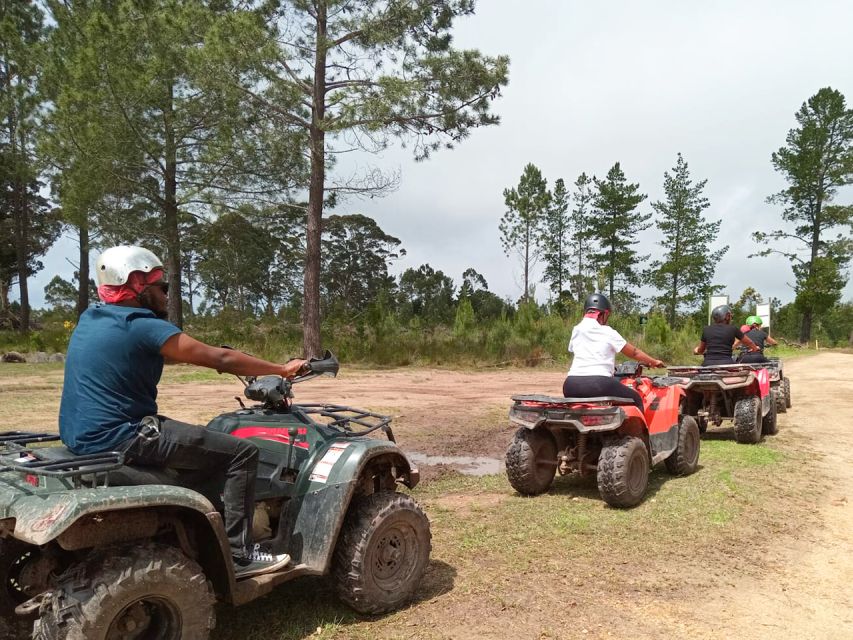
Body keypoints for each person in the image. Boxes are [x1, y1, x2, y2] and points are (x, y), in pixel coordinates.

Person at [59, 246, 307, 579]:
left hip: (81, 436)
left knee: (198, 445)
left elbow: (165, 352)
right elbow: (221, 360)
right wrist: (282, 369)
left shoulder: (93, 318)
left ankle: (199, 530)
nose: (167, 295)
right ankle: (239, 555)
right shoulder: (142, 324)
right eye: (162, 287)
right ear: (136, 284)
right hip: (124, 436)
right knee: (243, 454)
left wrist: (208, 355)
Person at [562, 293, 665, 413]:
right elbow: (635, 353)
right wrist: (654, 362)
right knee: (636, 398)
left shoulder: (577, 329)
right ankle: (641, 432)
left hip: (571, 385)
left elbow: (577, 350)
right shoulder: (607, 331)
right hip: (599, 384)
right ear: (603, 314)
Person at [693, 304, 759, 366]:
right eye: (730, 316)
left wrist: (696, 350)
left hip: (708, 364)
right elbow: (749, 342)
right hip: (727, 363)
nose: (731, 318)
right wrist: (755, 348)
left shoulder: (706, 329)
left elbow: (701, 350)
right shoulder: (733, 329)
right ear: (727, 316)